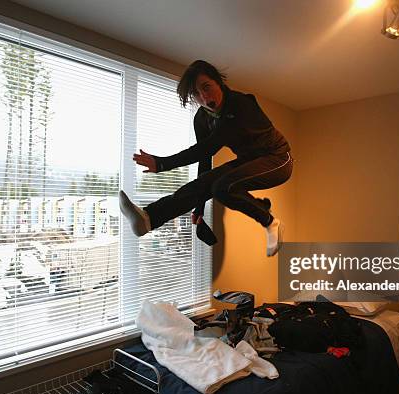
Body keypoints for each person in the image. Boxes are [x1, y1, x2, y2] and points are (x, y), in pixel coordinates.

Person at [120, 60, 293, 256]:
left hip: (278, 158)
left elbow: (205, 148)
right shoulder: (202, 119)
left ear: (218, 82)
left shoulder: (239, 104)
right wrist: (199, 207)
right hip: (248, 160)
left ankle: (271, 223)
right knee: (208, 182)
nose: (204, 96)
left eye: (207, 87)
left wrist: (162, 163)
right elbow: (205, 161)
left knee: (221, 187)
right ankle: (149, 218)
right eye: (196, 94)